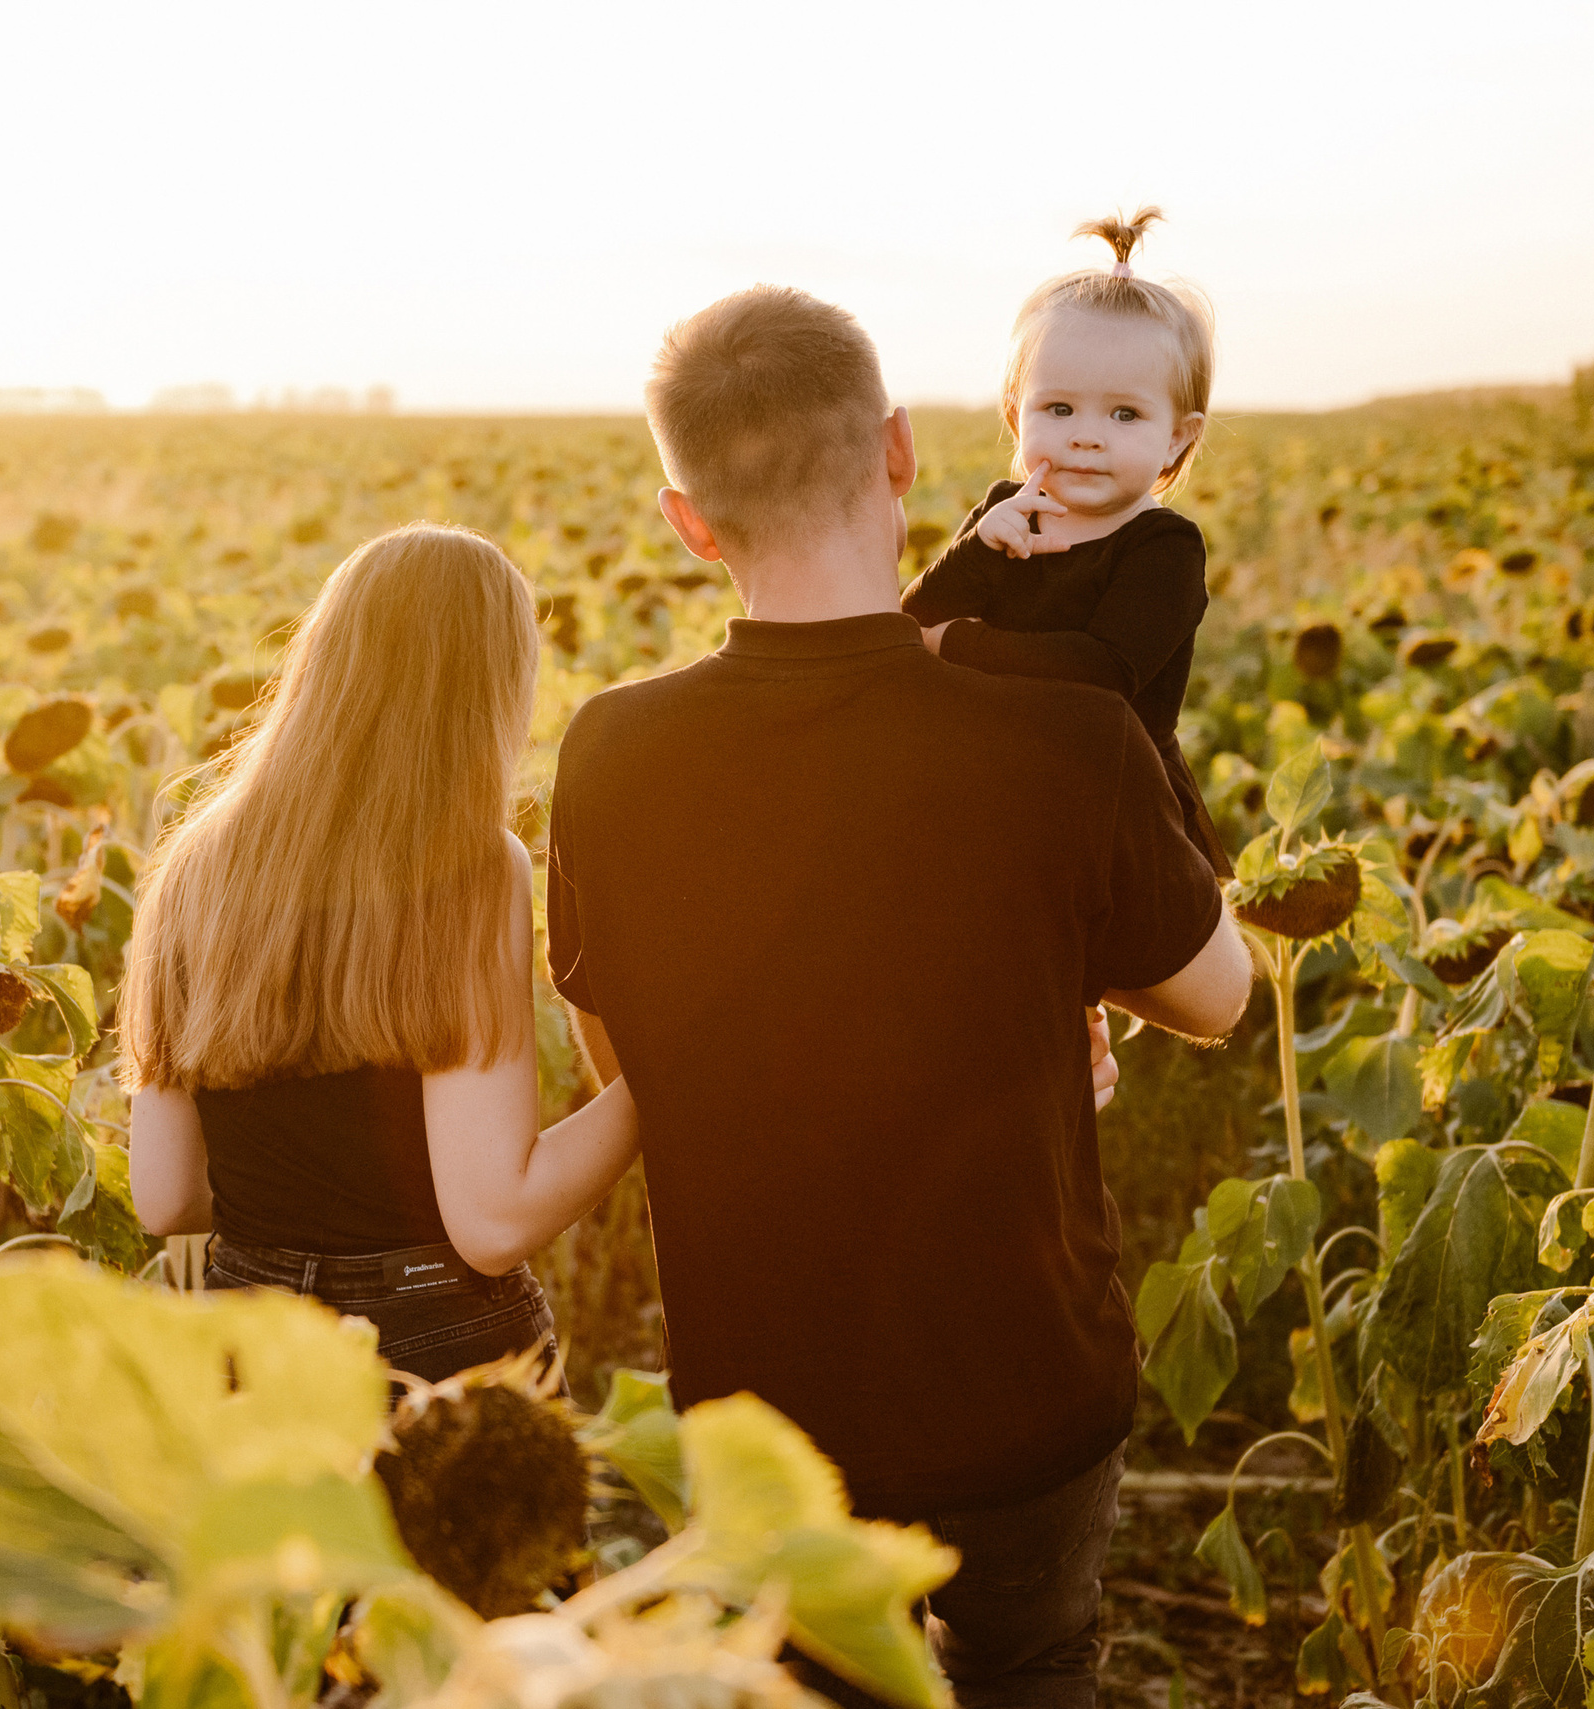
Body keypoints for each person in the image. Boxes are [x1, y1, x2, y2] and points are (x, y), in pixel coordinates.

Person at [546, 286, 1253, 1708]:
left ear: (689, 521)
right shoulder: (1067, 733)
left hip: (765, 1404)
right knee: (1029, 1668)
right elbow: (1221, 997)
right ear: (901, 455)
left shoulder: (614, 752)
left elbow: (624, 1053)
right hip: (1024, 1389)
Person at [120, 522, 643, 1383]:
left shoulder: (195, 863)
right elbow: (495, 1217)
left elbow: (165, 1194)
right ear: (489, 692)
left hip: (243, 1343)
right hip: (430, 1344)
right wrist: (652, 1091)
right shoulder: (471, 864)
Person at [904, 208, 1231, 875]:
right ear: (1014, 412)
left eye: (1124, 414)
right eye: (1059, 408)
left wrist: (960, 645)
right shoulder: (1007, 512)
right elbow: (912, 624)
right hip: (998, 785)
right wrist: (974, 552)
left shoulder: (1163, 547)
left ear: (1178, 435)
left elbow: (1100, 674)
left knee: (1136, 970)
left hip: (1120, 803)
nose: (1086, 435)